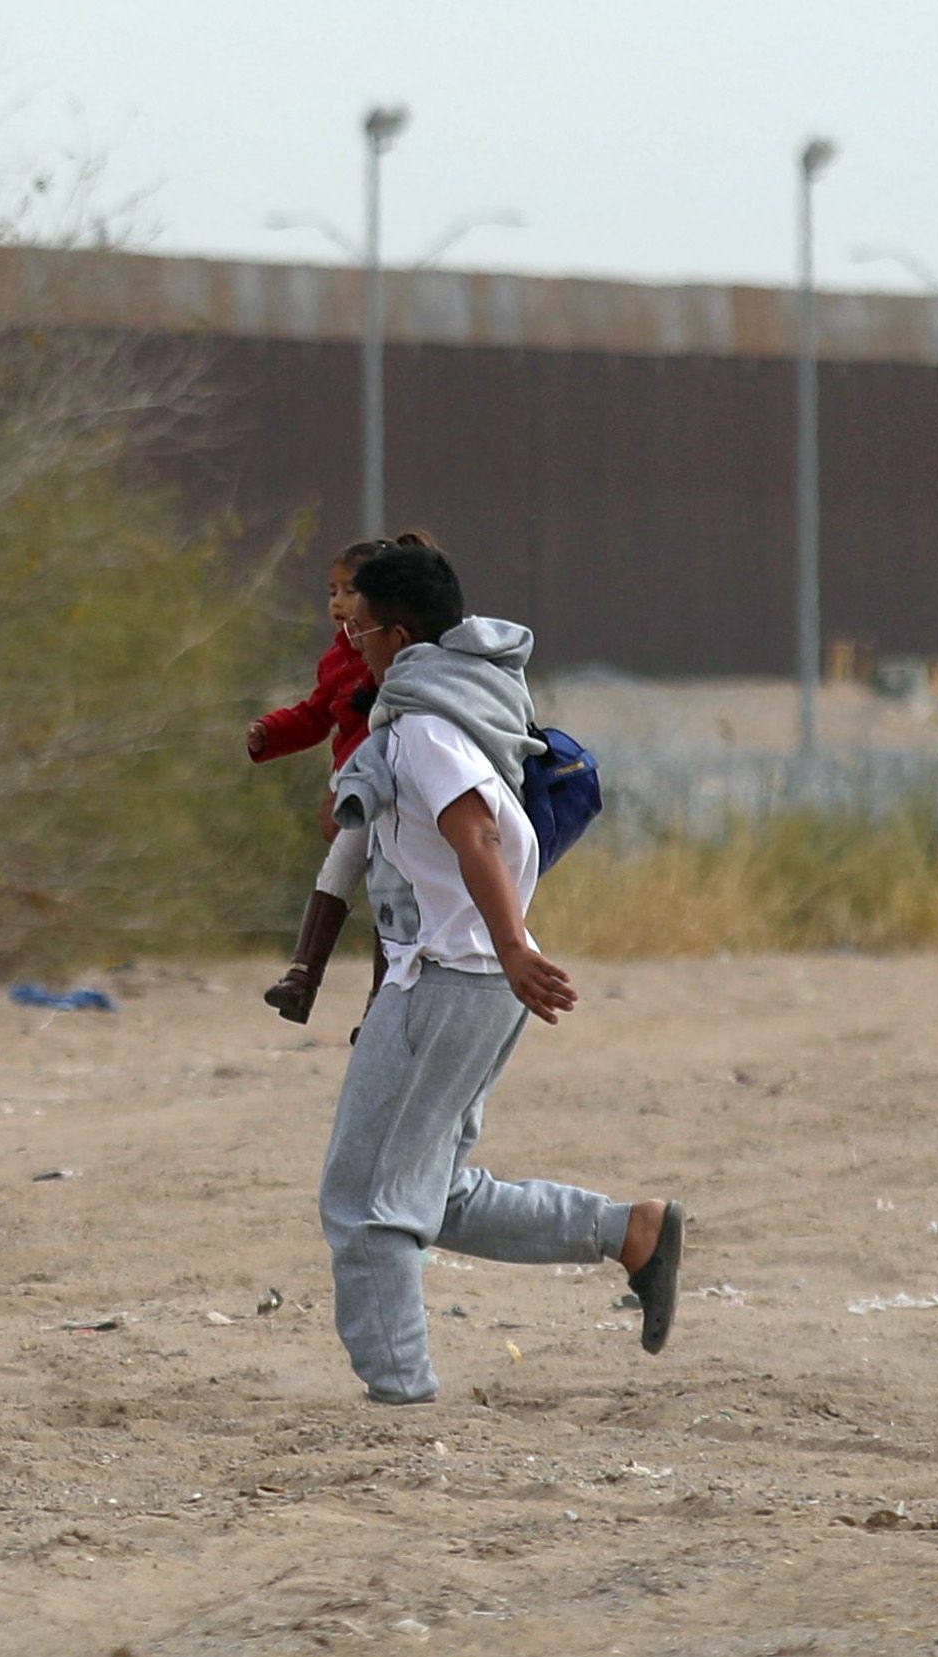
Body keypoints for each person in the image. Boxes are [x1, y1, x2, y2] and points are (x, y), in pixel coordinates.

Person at [314, 542, 683, 1406]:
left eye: (355, 620)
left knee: (366, 1200)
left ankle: (398, 1397)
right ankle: (630, 1231)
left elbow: (476, 832)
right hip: (463, 975)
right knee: (431, 1191)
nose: (346, 634)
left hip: (457, 975)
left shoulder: (421, 728)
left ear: (397, 634)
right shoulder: (462, 702)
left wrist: (511, 947)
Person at [252, 537, 396, 1025]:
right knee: (338, 873)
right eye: (331, 591)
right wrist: (268, 733)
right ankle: (302, 978)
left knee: (388, 890)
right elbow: (316, 716)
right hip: (355, 792)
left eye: (350, 590)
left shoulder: (400, 655)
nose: (337, 602)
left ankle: (382, 1000)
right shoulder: (337, 659)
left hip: (393, 792)